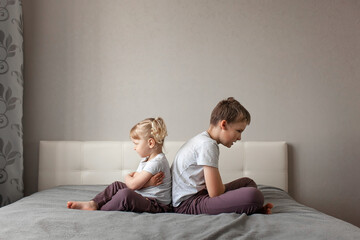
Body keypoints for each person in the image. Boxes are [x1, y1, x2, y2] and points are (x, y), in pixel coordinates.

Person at [171, 97, 273, 215]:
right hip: (188, 204)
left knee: (247, 182)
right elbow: (215, 192)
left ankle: (247, 206)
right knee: (254, 196)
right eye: (238, 131)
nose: (239, 138)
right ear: (223, 124)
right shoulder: (208, 144)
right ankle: (249, 205)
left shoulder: (202, 139)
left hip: (199, 194)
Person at [67, 117, 172, 213]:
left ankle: (101, 210)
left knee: (125, 195)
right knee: (117, 185)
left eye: (136, 143)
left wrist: (127, 176)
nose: (134, 147)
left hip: (157, 205)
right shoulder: (147, 159)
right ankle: (93, 203)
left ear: (150, 143)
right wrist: (147, 184)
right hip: (145, 197)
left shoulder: (157, 162)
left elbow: (133, 184)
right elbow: (136, 180)